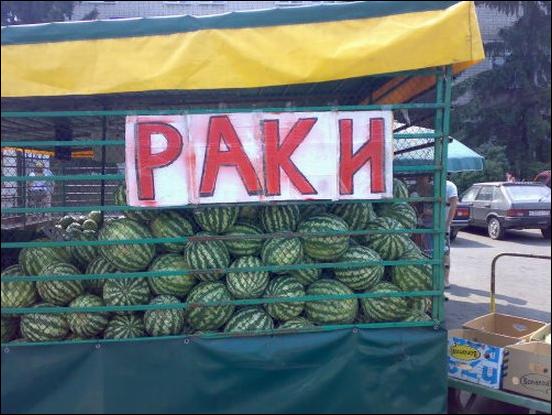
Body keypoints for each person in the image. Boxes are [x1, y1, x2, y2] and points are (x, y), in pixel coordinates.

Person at [444, 178, 458, 290]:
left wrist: (448, 223)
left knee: (445, 252)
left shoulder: (449, 186)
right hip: (429, 223)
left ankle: (445, 279)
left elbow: (454, 205)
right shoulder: (431, 184)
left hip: (443, 225)